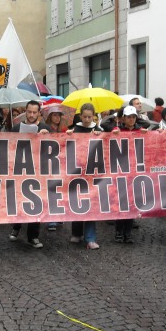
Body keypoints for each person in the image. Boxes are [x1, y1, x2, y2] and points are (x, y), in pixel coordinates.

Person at [9, 100, 50, 249]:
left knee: (36, 203)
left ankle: (33, 236)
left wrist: (47, 136)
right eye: (29, 112)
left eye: (34, 112)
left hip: (37, 172)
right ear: (25, 112)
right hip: (20, 170)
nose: (32, 115)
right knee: (19, 200)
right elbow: (8, 147)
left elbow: (53, 148)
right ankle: (16, 226)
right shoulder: (16, 128)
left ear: (39, 113)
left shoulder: (45, 128)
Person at [66, 103, 102, 249]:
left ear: (93, 116)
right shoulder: (74, 129)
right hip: (76, 171)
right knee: (77, 203)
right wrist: (67, 134)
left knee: (91, 204)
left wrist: (101, 135)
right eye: (85, 116)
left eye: (90, 117)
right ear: (81, 116)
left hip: (92, 172)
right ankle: (76, 233)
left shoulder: (98, 129)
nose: (87, 119)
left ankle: (90, 238)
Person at [111, 106, 148, 243]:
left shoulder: (140, 130)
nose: (131, 119)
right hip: (121, 172)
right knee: (121, 203)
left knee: (131, 203)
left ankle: (128, 233)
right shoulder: (117, 130)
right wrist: (115, 132)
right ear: (123, 118)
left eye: (133, 117)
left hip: (134, 173)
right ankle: (118, 231)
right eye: (129, 117)